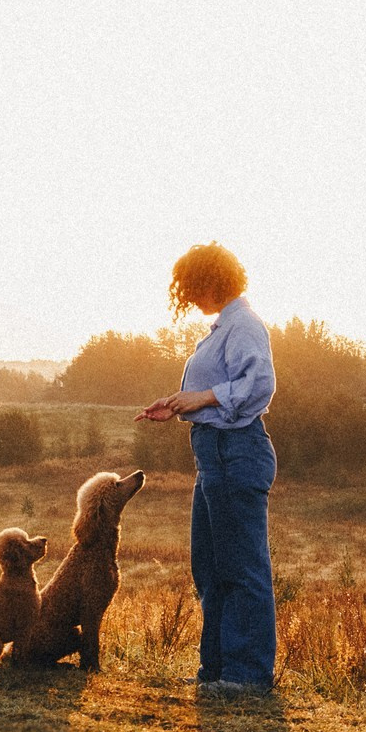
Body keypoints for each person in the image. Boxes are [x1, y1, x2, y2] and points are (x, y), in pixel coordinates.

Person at [138, 242, 278, 692]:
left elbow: (259, 383)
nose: (190, 297)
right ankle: (217, 671)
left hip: (236, 451)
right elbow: (217, 390)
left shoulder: (244, 324)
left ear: (212, 281)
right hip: (215, 454)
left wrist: (201, 397)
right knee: (211, 568)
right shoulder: (223, 328)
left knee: (241, 567)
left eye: (193, 287)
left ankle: (247, 677)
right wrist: (179, 403)